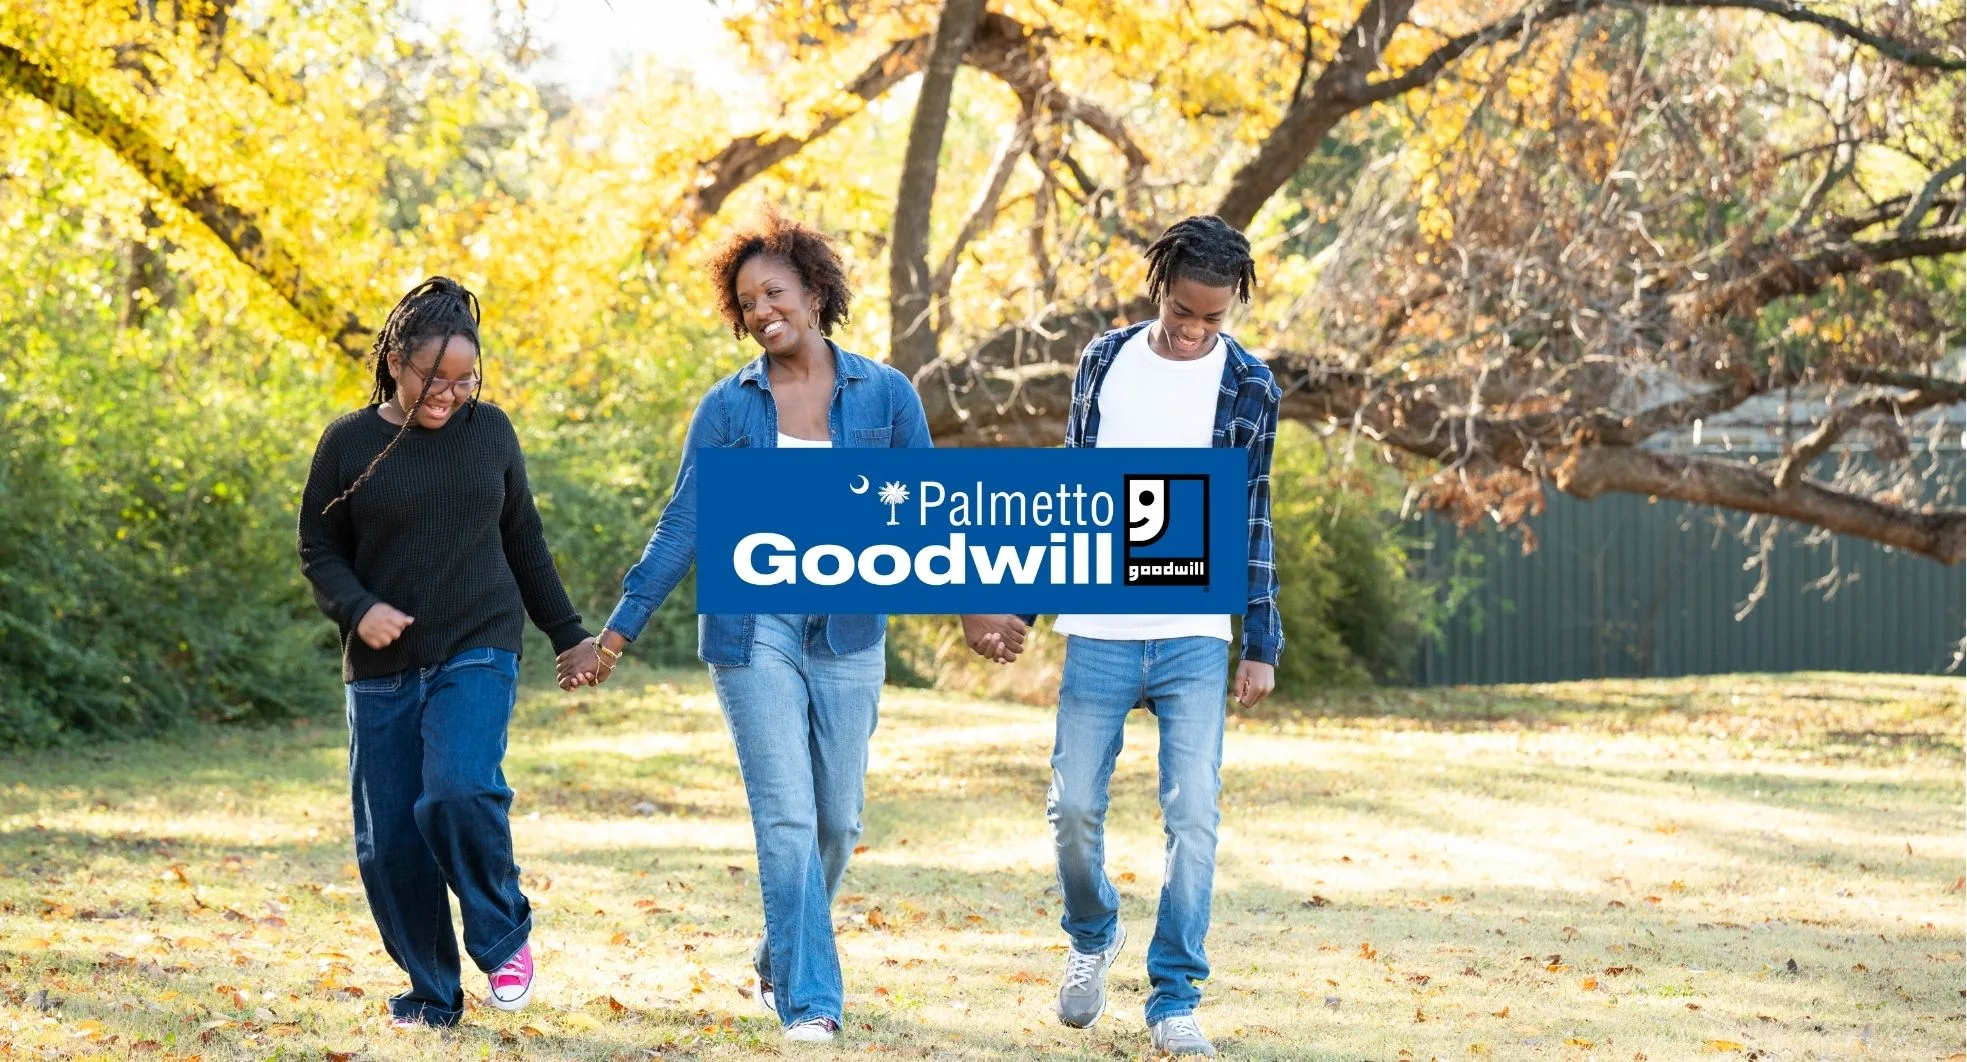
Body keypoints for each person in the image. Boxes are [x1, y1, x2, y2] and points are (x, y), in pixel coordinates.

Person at [555, 212, 1024, 1043]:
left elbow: (927, 511)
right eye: (745, 301)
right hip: (753, 626)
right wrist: (615, 636)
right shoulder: (728, 408)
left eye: (774, 291)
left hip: (847, 627)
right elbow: (684, 523)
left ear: (813, 292)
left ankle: (781, 948)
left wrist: (975, 605)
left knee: (837, 820)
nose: (761, 309)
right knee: (785, 817)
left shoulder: (884, 394)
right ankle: (811, 1000)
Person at [298, 277, 587, 1028]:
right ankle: (432, 993)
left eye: (465, 380)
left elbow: (522, 540)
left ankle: (501, 932)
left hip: (477, 643)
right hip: (382, 669)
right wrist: (360, 609)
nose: (451, 394)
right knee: (391, 841)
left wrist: (568, 634)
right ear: (396, 360)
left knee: (458, 789)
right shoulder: (348, 442)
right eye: (435, 378)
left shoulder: (490, 432)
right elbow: (318, 549)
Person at [1035, 215, 1283, 1057]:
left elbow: (1252, 514)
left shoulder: (1250, 386)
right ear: (1160, 287)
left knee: (1193, 818)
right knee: (1070, 806)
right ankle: (1091, 930)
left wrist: (1260, 640)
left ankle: (1174, 997)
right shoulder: (1104, 359)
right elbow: (1071, 482)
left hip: (1191, 633)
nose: (1193, 330)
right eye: (1183, 310)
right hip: (1099, 625)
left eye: (1212, 317)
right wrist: (1026, 602)